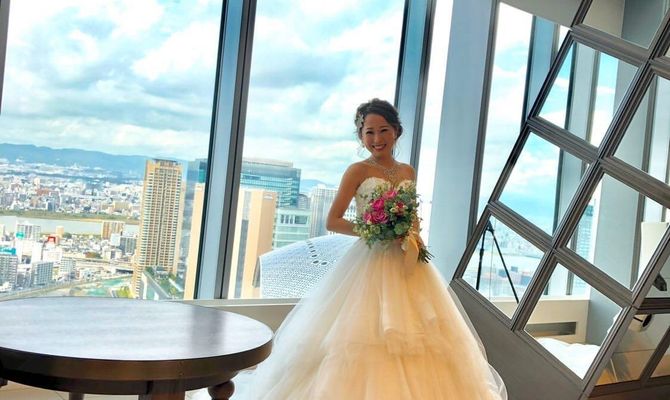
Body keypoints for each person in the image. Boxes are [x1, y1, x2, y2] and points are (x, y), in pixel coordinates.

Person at [245, 99, 507, 399]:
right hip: (368, 260)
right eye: (369, 132)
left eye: (383, 130)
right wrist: (375, 230)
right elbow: (333, 220)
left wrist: (412, 236)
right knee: (362, 335)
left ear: (397, 131)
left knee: (424, 335)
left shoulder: (407, 171)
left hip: (407, 259)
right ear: (361, 136)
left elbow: (413, 217)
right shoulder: (357, 171)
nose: (376, 138)